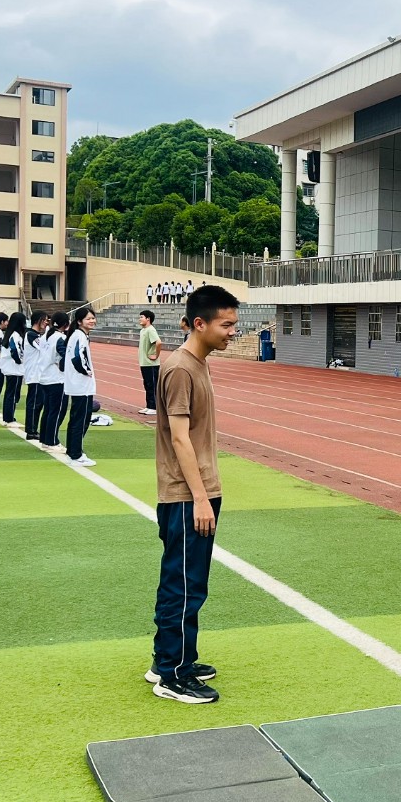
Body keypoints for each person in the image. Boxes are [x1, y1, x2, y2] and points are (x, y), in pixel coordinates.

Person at [148, 284, 238, 703]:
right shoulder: (181, 368)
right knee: (184, 586)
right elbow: (180, 439)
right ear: (199, 324)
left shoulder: (197, 363)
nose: (232, 331)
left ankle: (170, 658)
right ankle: (173, 674)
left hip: (197, 490)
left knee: (186, 582)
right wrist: (200, 497)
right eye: (226, 324)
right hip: (187, 495)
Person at [63, 306, 98, 466]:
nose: (92, 321)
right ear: (79, 321)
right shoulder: (79, 336)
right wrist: (87, 371)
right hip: (81, 385)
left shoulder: (78, 335)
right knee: (81, 420)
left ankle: (72, 451)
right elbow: (77, 358)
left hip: (78, 385)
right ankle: (76, 454)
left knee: (77, 419)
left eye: (93, 318)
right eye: (88, 319)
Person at [38, 312, 69, 452]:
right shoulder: (61, 338)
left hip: (44, 376)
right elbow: (65, 357)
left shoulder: (45, 336)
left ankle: (45, 439)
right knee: (56, 411)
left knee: (48, 410)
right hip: (57, 378)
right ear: (65, 324)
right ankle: (52, 441)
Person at [23, 311, 49, 444]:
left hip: (38, 374)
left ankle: (33, 428)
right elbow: (44, 348)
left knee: (38, 403)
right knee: (34, 403)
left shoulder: (36, 335)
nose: (46, 322)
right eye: (44, 320)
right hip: (34, 374)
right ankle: (31, 430)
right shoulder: (31, 335)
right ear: (38, 320)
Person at [0, 312, 27, 428]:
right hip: (14, 368)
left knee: (11, 393)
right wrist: (20, 361)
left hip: (10, 367)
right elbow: (15, 350)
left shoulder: (10, 334)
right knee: (13, 394)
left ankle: (8, 417)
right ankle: (9, 418)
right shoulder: (15, 335)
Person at [137, 310, 161, 415]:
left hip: (151, 364)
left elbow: (158, 342)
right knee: (147, 385)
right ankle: (149, 406)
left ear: (148, 319)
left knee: (152, 385)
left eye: (142, 317)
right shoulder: (143, 331)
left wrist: (156, 355)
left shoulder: (151, 330)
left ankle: (154, 407)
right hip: (144, 363)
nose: (140, 319)